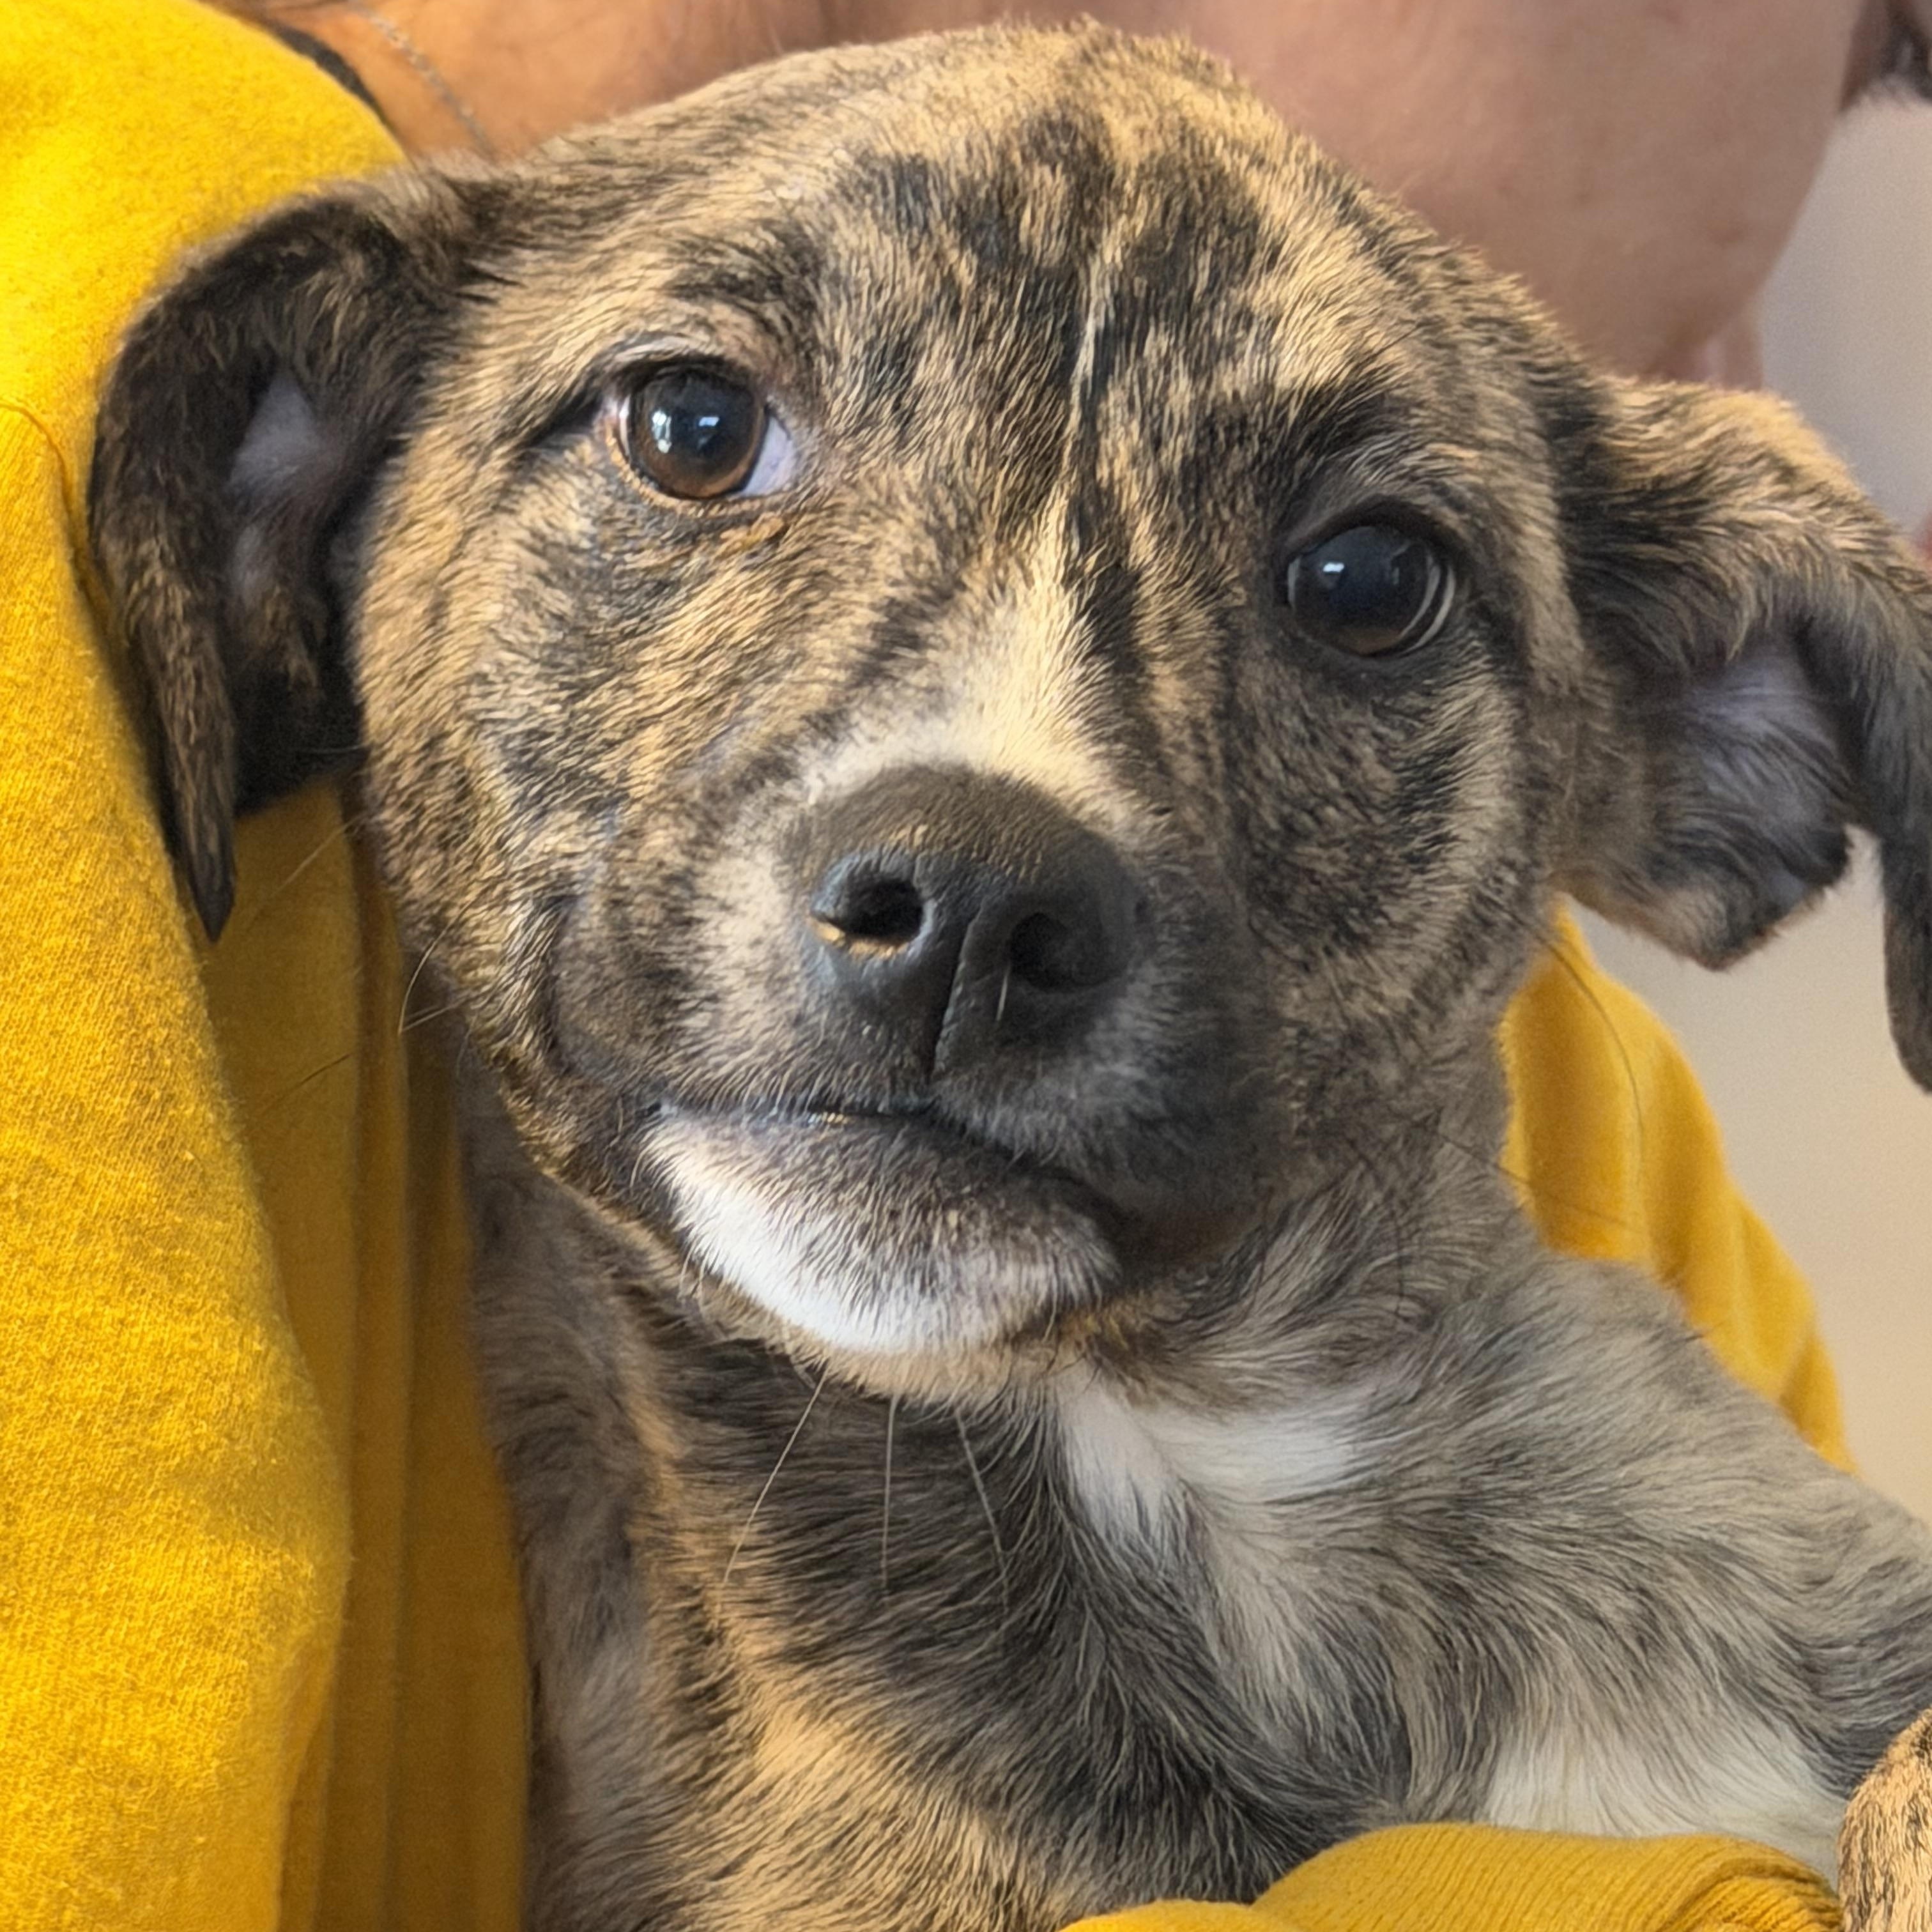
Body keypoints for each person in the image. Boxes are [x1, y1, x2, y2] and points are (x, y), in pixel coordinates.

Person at [0, 1, 1917, 1928]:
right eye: (699, 435)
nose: (973, 884)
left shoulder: (1613, 1147)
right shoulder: (61, 426)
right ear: (296, 497)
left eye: (1359, 588)